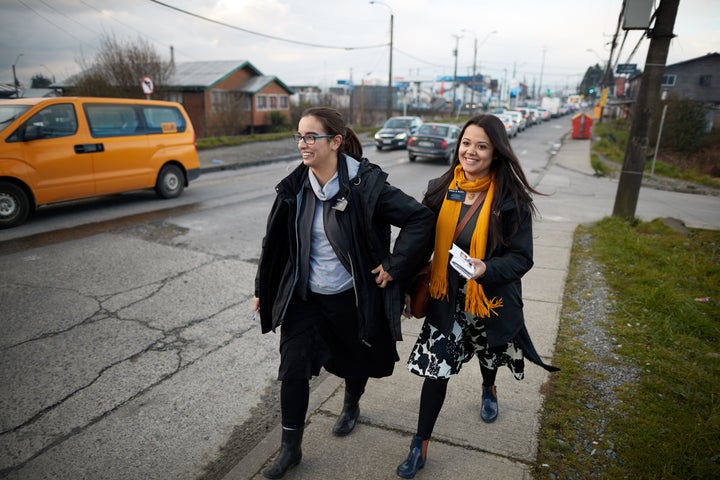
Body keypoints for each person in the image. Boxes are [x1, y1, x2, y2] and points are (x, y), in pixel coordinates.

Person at [254, 106, 433, 479]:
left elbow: (420, 218)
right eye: (299, 137)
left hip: (353, 296)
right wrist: (263, 289)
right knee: (292, 366)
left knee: (357, 360)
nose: (302, 144)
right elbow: (275, 243)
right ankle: (291, 449)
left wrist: (395, 265)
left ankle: (351, 404)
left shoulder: (366, 186)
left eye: (310, 137)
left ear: (335, 142)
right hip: (306, 298)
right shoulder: (295, 187)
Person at [396, 114, 559, 478]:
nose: (470, 151)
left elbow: (522, 258)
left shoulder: (510, 199)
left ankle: (489, 389)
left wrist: (486, 268)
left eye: (481, 146)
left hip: (487, 297)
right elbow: (420, 240)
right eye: (466, 143)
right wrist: (406, 286)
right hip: (446, 297)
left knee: (489, 355)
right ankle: (419, 446)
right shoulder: (442, 186)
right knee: (436, 371)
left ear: (496, 153)